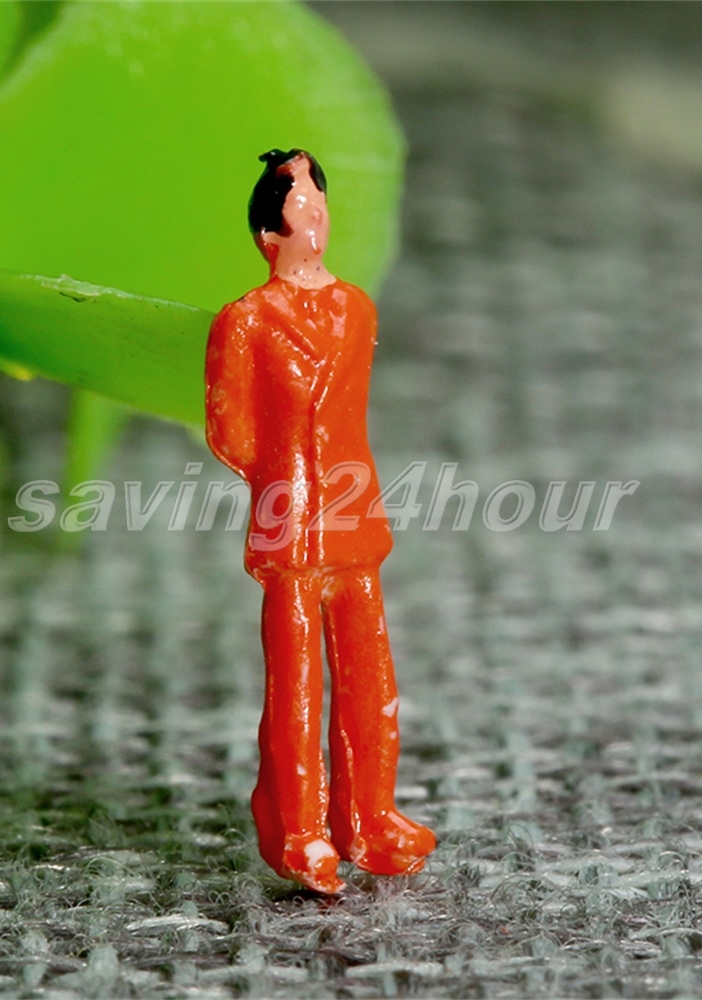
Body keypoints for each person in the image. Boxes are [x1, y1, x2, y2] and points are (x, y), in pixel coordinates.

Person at [205, 148, 435, 892]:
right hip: (291, 519)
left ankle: (372, 815)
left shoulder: (357, 308)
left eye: (320, 206)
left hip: (352, 509)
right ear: (269, 236)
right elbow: (232, 432)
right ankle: (298, 829)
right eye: (303, 210)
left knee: (370, 674)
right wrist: (284, 477)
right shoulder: (244, 320)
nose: (317, 220)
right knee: (296, 684)